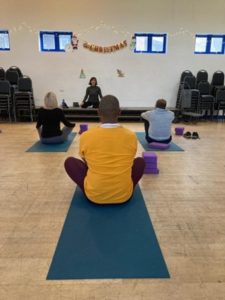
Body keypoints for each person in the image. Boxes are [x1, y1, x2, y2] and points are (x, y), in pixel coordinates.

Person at [65, 95, 145, 205]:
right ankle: (123, 187)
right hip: (124, 195)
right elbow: (130, 162)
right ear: (119, 112)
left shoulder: (86, 136)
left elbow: (87, 162)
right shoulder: (131, 136)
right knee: (140, 162)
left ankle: (97, 188)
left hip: (94, 196)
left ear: (98, 112)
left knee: (70, 162)